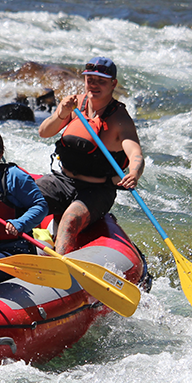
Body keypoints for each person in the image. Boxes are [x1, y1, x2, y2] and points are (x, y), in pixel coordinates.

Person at [36, 56, 145, 255]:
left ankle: (60, 265)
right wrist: (62, 113)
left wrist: (135, 172)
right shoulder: (74, 104)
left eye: (101, 81)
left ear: (113, 84)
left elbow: (135, 152)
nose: (94, 85)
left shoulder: (120, 118)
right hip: (62, 180)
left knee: (70, 220)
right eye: (90, 79)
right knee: (23, 197)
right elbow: (44, 132)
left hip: (97, 191)